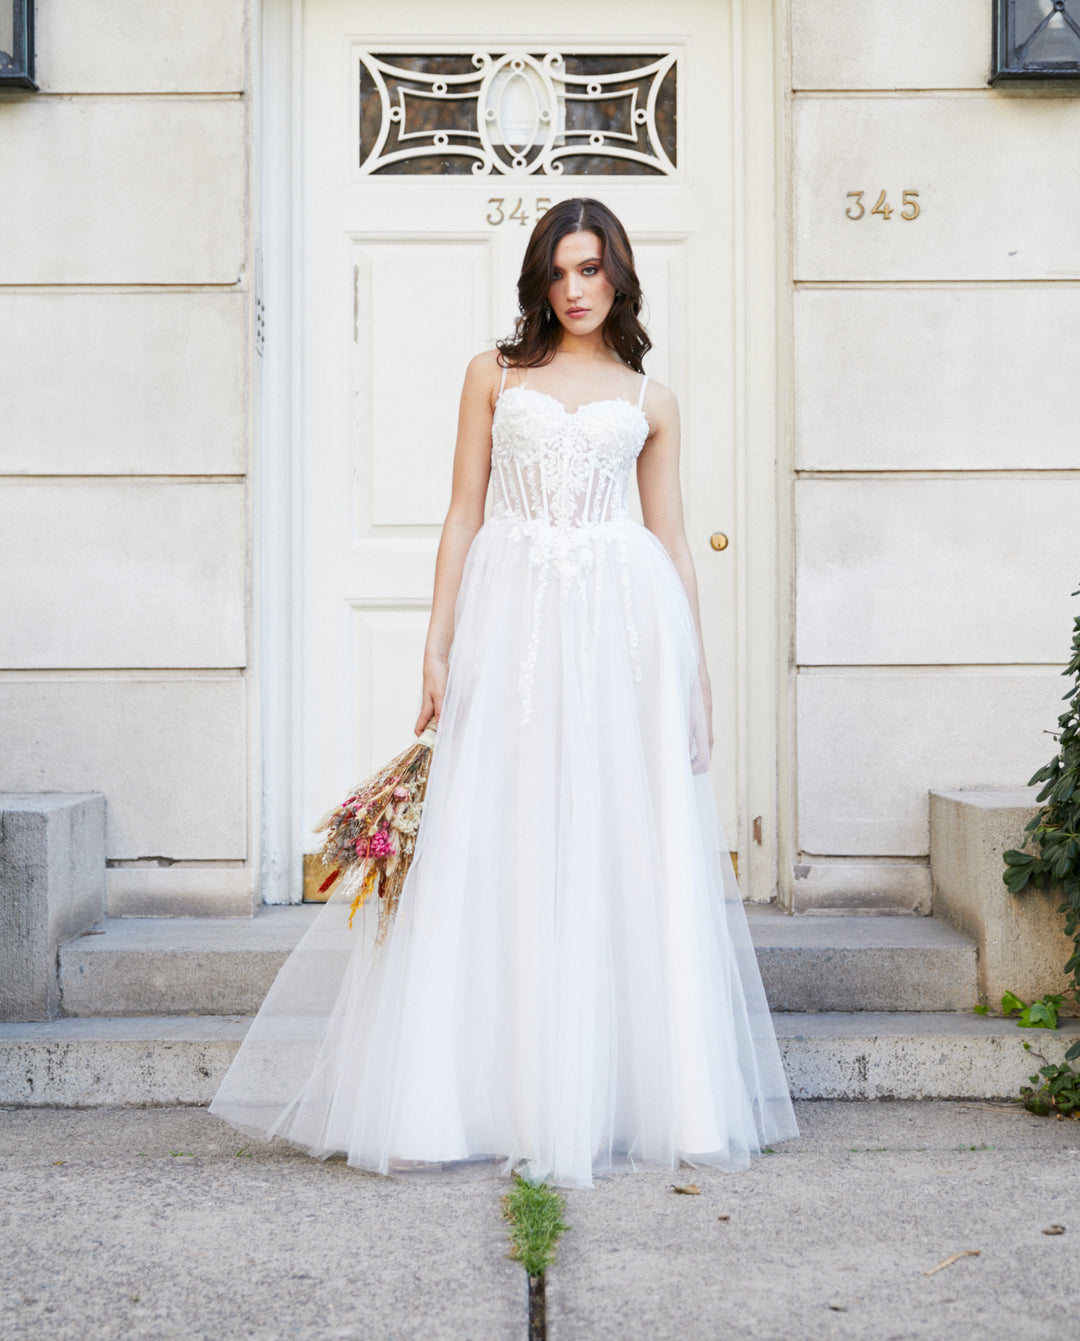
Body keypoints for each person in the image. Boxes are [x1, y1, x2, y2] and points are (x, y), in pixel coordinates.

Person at [210, 197, 798, 1190]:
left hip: (621, 629)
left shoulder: (651, 397)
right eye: (559, 272)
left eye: (591, 269)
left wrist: (695, 674)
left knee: (616, 833)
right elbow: (461, 512)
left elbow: (670, 539)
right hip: (512, 618)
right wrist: (435, 646)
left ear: (618, 275)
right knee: (497, 831)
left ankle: (636, 1095)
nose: (575, 289)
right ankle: (459, 1100)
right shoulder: (494, 374)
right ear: (540, 281)